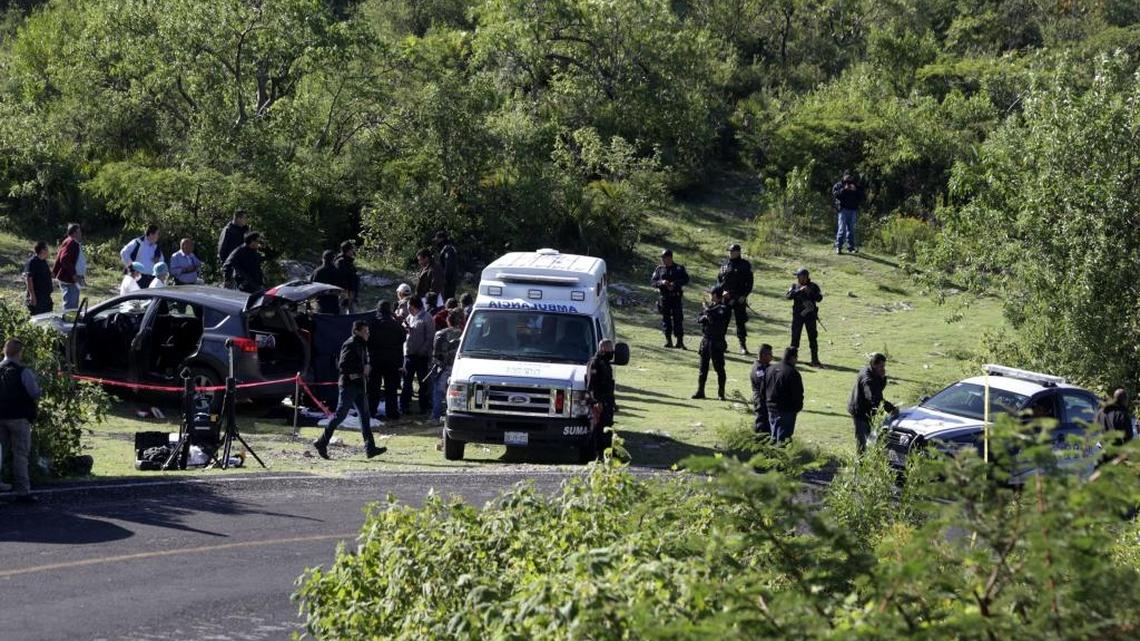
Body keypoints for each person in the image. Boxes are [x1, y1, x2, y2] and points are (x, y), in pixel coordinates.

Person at [312, 321, 386, 460]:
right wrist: (361, 369)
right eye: (365, 331)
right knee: (340, 415)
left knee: (365, 417)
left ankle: (370, 448)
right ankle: (322, 442)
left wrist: (366, 368)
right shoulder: (350, 344)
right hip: (349, 386)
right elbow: (343, 366)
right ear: (357, 331)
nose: (368, 334)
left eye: (368, 331)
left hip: (359, 385)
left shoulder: (362, 345)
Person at [0, 339, 41, 503]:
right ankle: (23, 491)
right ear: (19, 353)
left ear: (4, 350)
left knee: (0, 453)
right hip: (19, 418)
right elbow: (35, 393)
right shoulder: (24, 372)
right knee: (20, 455)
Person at [847, 353, 898, 455]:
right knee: (862, 442)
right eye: (881, 366)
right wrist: (891, 409)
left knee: (872, 439)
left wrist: (882, 378)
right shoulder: (867, 380)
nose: (883, 368)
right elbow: (874, 398)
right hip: (860, 412)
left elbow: (877, 390)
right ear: (874, 365)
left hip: (868, 410)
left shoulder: (870, 372)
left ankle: (869, 462)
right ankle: (860, 466)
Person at [367, 300, 406, 421]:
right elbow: (403, 338)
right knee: (391, 388)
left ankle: (371, 411)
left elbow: (367, 340)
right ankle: (392, 412)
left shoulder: (372, 324)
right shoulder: (396, 325)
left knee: (373, 388)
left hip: (375, 359)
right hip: (392, 360)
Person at [692, 287, 730, 400]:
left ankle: (721, 393)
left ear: (716, 295)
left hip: (717, 341)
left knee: (719, 368)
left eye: (711, 294)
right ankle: (700, 391)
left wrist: (707, 311)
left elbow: (717, 317)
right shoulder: (710, 307)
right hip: (706, 340)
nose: (710, 296)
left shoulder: (724, 308)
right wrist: (704, 315)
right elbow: (699, 318)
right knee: (703, 368)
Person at [716, 243, 754, 354]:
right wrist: (722, 292)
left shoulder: (745, 265)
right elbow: (719, 280)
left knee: (740, 323)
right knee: (723, 321)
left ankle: (743, 346)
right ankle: (722, 345)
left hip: (739, 298)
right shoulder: (724, 265)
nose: (730, 253)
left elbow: (749, 282)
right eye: (729, 251)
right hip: (726, 298)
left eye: (732, 251)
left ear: (738, 252)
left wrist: (744, 296)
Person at [650, 248, 691, 349]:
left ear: (670, 258)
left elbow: (686, 279)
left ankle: (680, 341)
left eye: (665, 258)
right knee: (666, 320)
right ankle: (668, 341)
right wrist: (662, 282)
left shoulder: (679, 268)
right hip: (664, 298)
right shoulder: (659, 269)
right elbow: (653, 282)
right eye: (662, 258)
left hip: (676, 297)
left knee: (678, 319)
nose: (663, 260)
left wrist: (675, 283)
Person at [401, 296, 435, 415]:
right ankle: (404, 406)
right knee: (406, 382)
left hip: (421, 356)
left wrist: (423, 350)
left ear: (415, 305)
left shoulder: (427, 318)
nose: (408, 308)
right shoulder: (409, 317)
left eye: (410, 306)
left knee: (422, 382)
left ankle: (423, 406)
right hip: (409, 355)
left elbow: (430, 337)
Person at [430, 308, 465, 422]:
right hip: (458, 367)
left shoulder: (440, 334)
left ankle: (436, 416)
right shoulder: (465, 335)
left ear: (448, 320)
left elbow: (435, 354)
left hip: (443, 367)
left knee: (438, 391)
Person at [786, 267, 823, 367]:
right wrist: (799, 290)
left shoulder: (813, 286)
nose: (799, 279)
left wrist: (810, 292)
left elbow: (819, 298)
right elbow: (788, 296)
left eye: (801, 277)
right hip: (798, 316)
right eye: (798, 277)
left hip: (810, 316)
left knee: (812, 338)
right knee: (795, 338)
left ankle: (814, 360)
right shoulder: (794, 286)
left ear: (806, 277)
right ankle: (791, 359)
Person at [765, 346, 804, 443]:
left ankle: (770, 456)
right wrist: (797, 408)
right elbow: (798, 393)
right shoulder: (792, 373)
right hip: (786, 410)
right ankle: (781, 457)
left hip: (771, 408)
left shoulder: (770, 369)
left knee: (773, 437)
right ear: (792, 358)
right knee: (783, 440)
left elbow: (763, 388)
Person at [586, 339, 617, 455]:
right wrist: (597, 401)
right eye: (610, 349)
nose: (612, 352)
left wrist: (612, 402)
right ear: (603, 348)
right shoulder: (595, 363)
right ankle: (597, 453)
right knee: (597, 429)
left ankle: (607, 452)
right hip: (599, 402)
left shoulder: (606, 363)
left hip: (607, 402)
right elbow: (592, 385)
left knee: (607, 427)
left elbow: (608, 385)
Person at [52, 223, 85, 310]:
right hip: (69, 279)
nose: (81, 234)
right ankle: (67, 322)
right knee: (70, 305)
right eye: (79, 232)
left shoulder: (70, 241)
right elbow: (64, 259)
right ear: (74, 233)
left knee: (72, 304)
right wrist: (73, 274)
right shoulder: (71, 242)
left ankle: (70, 320)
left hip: (71, 279)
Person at [119, 224, 164, 288]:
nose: (158, 236)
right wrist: (132, 267)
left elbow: (162, 261)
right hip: (138, 278)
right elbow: (124, 252)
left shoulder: (156, 247)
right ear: (151, 234)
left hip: (152, 278)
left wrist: (158, 261)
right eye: (157, 234)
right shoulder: (138, 242)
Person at [832, 172, 863, 254]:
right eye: (847, 177)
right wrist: (844, 189)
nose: (848, 179)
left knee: (851, 229)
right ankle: (839, 247)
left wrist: (855, 190)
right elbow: (836, 195)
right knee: (842, 229)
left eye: (850, 177)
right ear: (843, 177)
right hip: (842, 209)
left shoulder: (855, 185)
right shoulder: (838, 185)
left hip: (853, 210)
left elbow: (861, 196)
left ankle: (851, 247)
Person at [750, 344, 774, 437]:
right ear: (763, 355)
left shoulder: (766, 366)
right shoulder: (759, 369)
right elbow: (763, 384)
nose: (772, 357)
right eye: (770, 354)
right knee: (762, 421)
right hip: (761, 397)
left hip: (766, 397)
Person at [24, 241, 53, 315]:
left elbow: (49, 275)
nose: (48, 251)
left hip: (46, 297)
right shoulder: (32, 262)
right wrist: (32, 296)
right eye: (47, 249)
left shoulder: (44, 262)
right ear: (43, 250)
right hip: (37, 297)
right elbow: (29, 280)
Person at [310, 250, 341, 314]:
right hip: (334, 304)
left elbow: (311, 289)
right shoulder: (337, 272)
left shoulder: (317, 272)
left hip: (320, 304)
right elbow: (341, 289)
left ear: (323, 259)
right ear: (333, 259)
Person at [335, 241, 360, 313]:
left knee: (351, 311)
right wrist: (346, 291)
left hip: (351, 290)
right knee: (342, 310)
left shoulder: (348, 261)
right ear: (348, 250)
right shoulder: (341, 262)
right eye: (352, 249)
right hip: (345, 291)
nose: (353, 251)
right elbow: (342, 277)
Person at [434, 231, 460, 301]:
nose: (437, 242)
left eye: (438, 239)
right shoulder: (447, 248)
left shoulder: (448, 250)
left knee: (447, 301)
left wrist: (445, 280)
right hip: (449, 281)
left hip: (448, 282)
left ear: (442, 239)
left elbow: (448, 267)